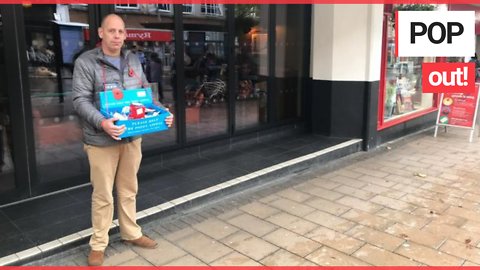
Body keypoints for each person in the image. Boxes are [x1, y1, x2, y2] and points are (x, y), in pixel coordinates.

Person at [72, 14, 174, 266]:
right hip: (100, 140)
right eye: (112, 31)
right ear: (101, 33)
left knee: (129, 190)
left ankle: (131, 233)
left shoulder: (132, 60)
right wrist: (102, 122)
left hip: (131, 139)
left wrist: (162, 112)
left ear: (125, 35)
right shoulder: (86, 62)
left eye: (120, 31)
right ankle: (98, 243)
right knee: (103, 194)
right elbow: (79, 100)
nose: (117, 36)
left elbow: (145, 96)